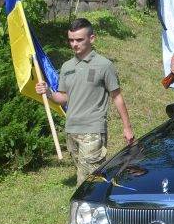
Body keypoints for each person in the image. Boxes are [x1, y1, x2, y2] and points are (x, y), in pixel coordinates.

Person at [36, 18, 135, 187]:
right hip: (71, 129)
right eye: (71, 40)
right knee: (85, 175)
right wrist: (49, 92)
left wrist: (127, 127)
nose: (74, 44)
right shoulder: (67, 67)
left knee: (87, 181)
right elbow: (64, 97)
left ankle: (86, 210)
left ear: (92, 38)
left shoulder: (104, 65)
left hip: (92, 130)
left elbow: (117, 97)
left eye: (79, 40)